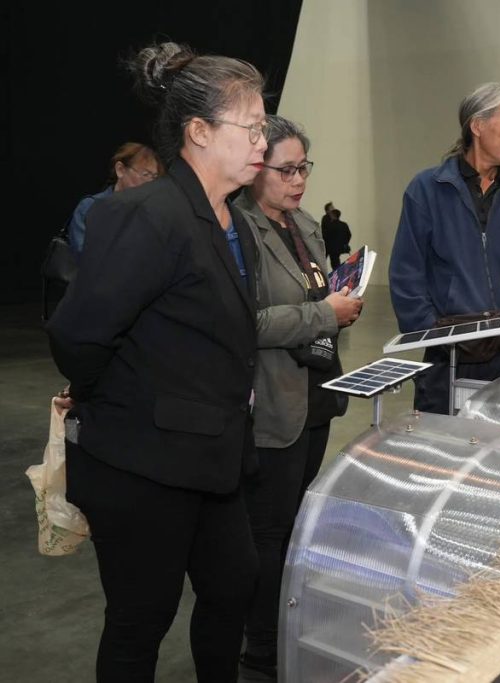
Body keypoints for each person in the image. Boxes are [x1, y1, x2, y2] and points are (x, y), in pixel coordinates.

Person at [47, 41, 268, 682]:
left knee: (233, 585)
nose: (263, 141)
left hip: (213, 457)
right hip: (143, 463)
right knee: (141, 619)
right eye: (252, 128)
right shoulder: (145, 215)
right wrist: (120, 400)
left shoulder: (235, 222)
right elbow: (79, 337)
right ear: (199, 132)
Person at [233, 115, 363, 677]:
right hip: (273, 403)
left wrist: (342, 296)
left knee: (296, 526)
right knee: (268, 533)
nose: (298, 180)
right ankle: (260, 646)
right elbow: (247, 322)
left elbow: (316, 297)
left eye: (304, 168)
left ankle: (283, 628)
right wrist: (324, 314)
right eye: (286, 170)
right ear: (255, 169)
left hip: (315, 396)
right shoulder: (238, 231)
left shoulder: (305, 225)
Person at [389, 81, 500, 413]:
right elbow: (406, 274)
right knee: (443, 441)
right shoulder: (426, 191)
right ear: (477, 125)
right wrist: (435, 335)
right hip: (448, 360)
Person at [67, 142, 164, 258]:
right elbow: (83, 253)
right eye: (145, 174)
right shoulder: (90, 207)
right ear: (120, 170)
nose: (150, 183)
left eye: (154, 177)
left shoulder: (149, 215)